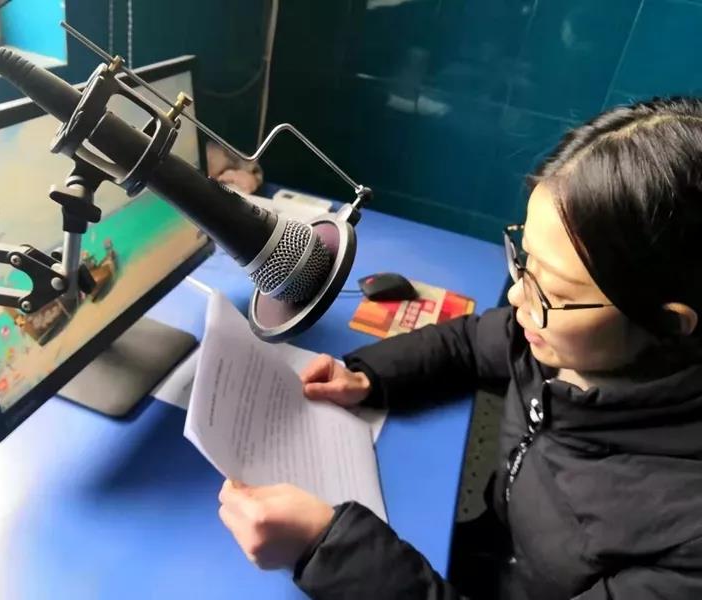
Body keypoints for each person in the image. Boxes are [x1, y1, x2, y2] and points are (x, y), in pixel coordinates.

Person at [217, 97, 702, 599]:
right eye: (526, 261)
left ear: (666, 323)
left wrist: (326, 550)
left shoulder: (689, 548)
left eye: (554, 291)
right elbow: (471, 340)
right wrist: (369, 377)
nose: (518, 297)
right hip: (498, 546)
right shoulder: (560, 341)